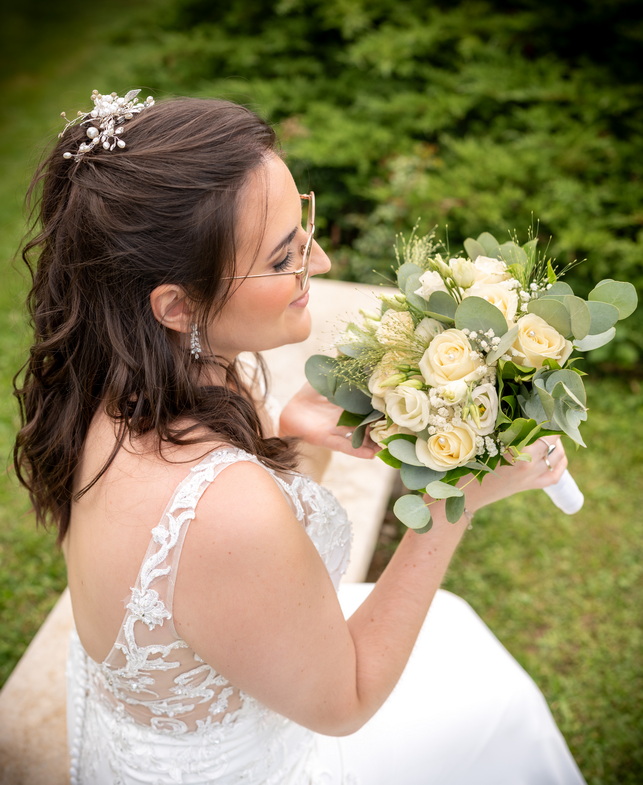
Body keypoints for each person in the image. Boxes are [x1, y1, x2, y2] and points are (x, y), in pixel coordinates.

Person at [13, 91, 586, 785]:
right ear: (176, 305)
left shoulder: (120, 383)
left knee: (459, 641)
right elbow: (343, 702)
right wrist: (446, 505)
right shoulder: (222, 502)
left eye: (302, 224)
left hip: (163, 717)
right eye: (283, 256)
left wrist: (287, 434)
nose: (316, 263)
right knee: (497, 707)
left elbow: (220, 571)